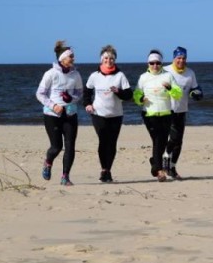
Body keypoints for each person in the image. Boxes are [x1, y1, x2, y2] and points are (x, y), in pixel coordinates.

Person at [35, 40, 83, 186]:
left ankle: (65, 177)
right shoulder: (50, 74)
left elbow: (80, 93)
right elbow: (40, 94)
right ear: (62, 58)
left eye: (73, 56)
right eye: (71, 56)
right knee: (56, 147)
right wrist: (53, 105)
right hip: (52, 116)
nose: (73, 59)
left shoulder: (76, 75)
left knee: (70, 146)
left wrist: (71, 98)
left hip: (70, 115)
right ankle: (48, 162)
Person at [83, 44, 133, 183]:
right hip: (98, 114)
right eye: (106, 58)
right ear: (101, 59)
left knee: (111, 143)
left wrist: (118, 91)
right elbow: (87, 92)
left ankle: (108, 170)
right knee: (103, 141)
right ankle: (103, 169)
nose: (108, 60)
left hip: (116, 115)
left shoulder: (120, 75)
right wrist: (87, 104)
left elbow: (129, 95)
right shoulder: (94, 76)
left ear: (114, 60)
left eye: (111, 58)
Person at [133, 50, 182, 182]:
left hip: (166, 113)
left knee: (162, 141)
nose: (155, 65)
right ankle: (159, 171)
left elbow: (178, 94)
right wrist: (140, 98)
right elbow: (136, 94)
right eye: (152, 63)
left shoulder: (168, 76)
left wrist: (170, 88)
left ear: (161, 63)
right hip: (149, 114)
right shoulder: (143, 77)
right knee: (157, 140)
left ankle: (154, 161)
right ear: (148, 63)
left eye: (158, 63)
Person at [162, 46, 203, 179]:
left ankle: (172, 168)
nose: (181, 60)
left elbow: (195, 88)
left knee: (179, 141)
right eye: (179, 58)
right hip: (166, 110)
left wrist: (196, 93)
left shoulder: (190, 73)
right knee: (173, 138)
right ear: (174, 58)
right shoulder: (165, 71)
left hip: (182, 110)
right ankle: (165, 156)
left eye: (184, 58)